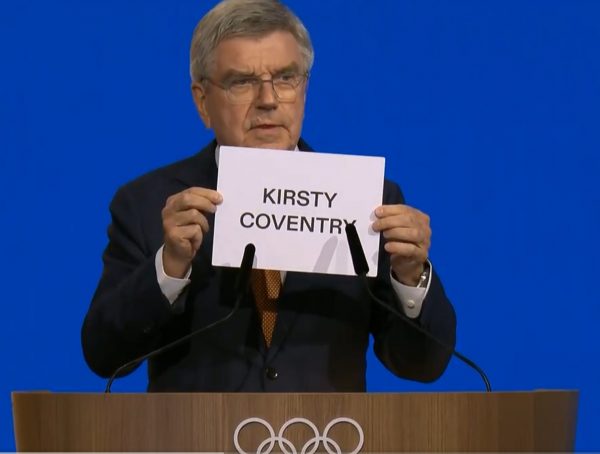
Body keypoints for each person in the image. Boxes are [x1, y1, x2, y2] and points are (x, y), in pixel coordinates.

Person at [82, 0, 456, 392]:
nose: (268, 99)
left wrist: (410, 276)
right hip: (198, 430)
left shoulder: (367, 201)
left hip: (327, 430)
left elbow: (423, 364)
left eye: (285, 78)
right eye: (241, 82)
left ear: (304, 89)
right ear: (202, 101)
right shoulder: (150, 203)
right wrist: (169, 267)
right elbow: (104, 354)